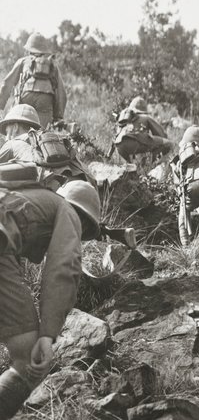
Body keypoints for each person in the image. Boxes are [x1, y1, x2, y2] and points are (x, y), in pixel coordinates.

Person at [0, 178, 100, 419]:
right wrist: (47, 334)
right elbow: (64, 268)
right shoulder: (69, 211)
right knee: (28, 359)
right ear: (84, 220)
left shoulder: (26, 194)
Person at [0, 104, 94, 189]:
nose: (6, 137)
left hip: (54, 189)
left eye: (7, 132)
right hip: (83, 186)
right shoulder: (56, 140)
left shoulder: (12, 143)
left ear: (15, 127)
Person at [0, 32, 67, 129]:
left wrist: (1, 105)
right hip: (46, 100)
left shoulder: (23, 61)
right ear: (44, 50)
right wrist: (58, 117)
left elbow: (6, 84)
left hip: (26, 97)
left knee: (22, 129)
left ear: (29, 49)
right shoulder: (52, 66)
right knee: (42, 132)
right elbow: (62, 93)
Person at [107, 96, 173, 163]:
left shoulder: (123, 118)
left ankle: (137, 167)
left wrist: (108, 156)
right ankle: (150, 164)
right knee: (169, 144)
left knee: (133, 166)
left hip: (119, 146)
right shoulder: (145, 117)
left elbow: (115, 137)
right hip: (135, 142)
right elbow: (161, 135)